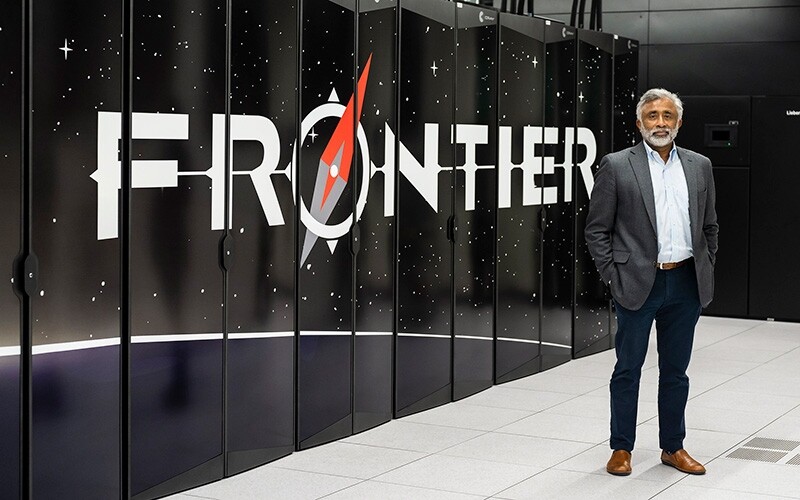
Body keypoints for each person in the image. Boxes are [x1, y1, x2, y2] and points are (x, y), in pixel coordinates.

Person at [584, 88, 718, 476]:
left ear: (678, 123)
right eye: (652, 116)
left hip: (686, 284)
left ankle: (673, 447)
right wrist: (614, 275)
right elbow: (597, 230)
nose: (660, 123)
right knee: (628, 369)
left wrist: (706, 260)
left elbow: (710, 224)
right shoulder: (616, 165)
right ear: (639, 122)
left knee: (676, 372)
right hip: (637, 283)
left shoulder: (699, 165)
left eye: (667, 116)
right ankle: (621, 448)